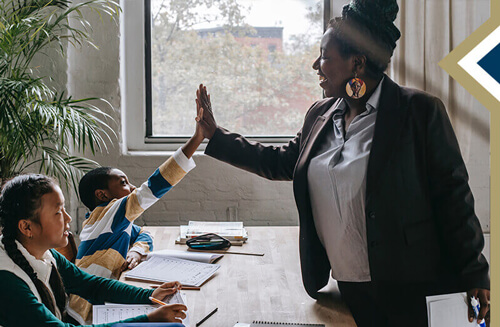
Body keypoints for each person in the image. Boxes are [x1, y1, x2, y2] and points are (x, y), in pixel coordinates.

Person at [194, 0, 490, 326]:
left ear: (357, 63)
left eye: (324, 56)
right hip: (346, 289)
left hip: (411, 293)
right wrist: (215, 136)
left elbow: (454, 199)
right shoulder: (320, 115)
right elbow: (281, 161)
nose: (315, 65)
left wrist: (475, 274)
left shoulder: (419, 113)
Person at [70, 106, 205, 323]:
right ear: (102, 194)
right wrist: (197, 139)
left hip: (99, 301)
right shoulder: (109, 212)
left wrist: (136, 252)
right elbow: (153, 187)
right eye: (123, 182)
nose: (131, 187)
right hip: (87, 312)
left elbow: (143, 233)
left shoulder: (105, 222)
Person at [0, 174, 187, 327]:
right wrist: (148, 320)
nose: (68, 218)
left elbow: (91, 285)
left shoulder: (44, 253)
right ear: (26, 227)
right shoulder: (7, 280)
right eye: (58, 212)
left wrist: (148, 295)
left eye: (64, 209)